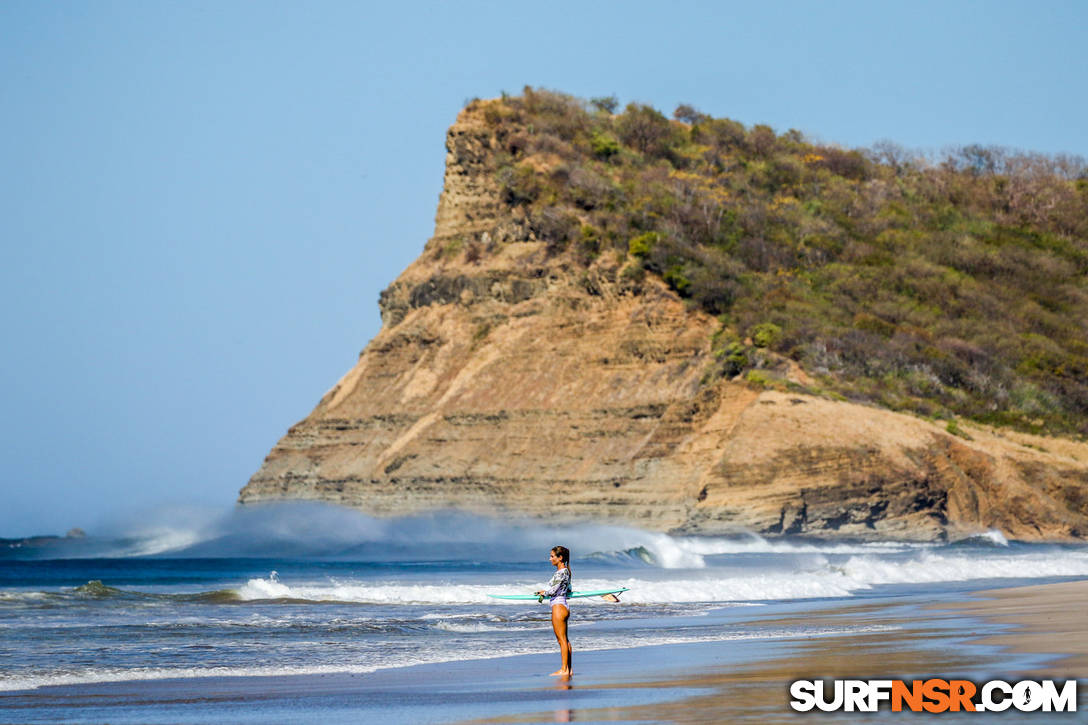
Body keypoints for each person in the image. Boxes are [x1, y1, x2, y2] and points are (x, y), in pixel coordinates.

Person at [536, 545, 573, 677]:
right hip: (564, 605)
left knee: (561, 640)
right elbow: (568, 590)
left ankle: (564, 669)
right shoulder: (567, 572)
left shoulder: (560, 572)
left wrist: (543, 593)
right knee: (565, 640)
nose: (550, 559)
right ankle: (569, 669)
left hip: (558, 607)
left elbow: (553, 590)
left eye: (552, 556)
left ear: (560, 558)